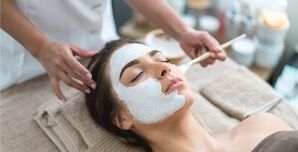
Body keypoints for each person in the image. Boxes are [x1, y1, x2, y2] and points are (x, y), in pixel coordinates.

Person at [85, 39, 296, 152]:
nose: (163, 68)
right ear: (122, 118)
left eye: (162, 58)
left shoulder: (261, 124)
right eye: (137, 74)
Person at [1, 0, 226, 101]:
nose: (166, 70)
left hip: (99, 41)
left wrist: (182, 32)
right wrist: (40, 47)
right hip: (25, 52)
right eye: (137, 75)